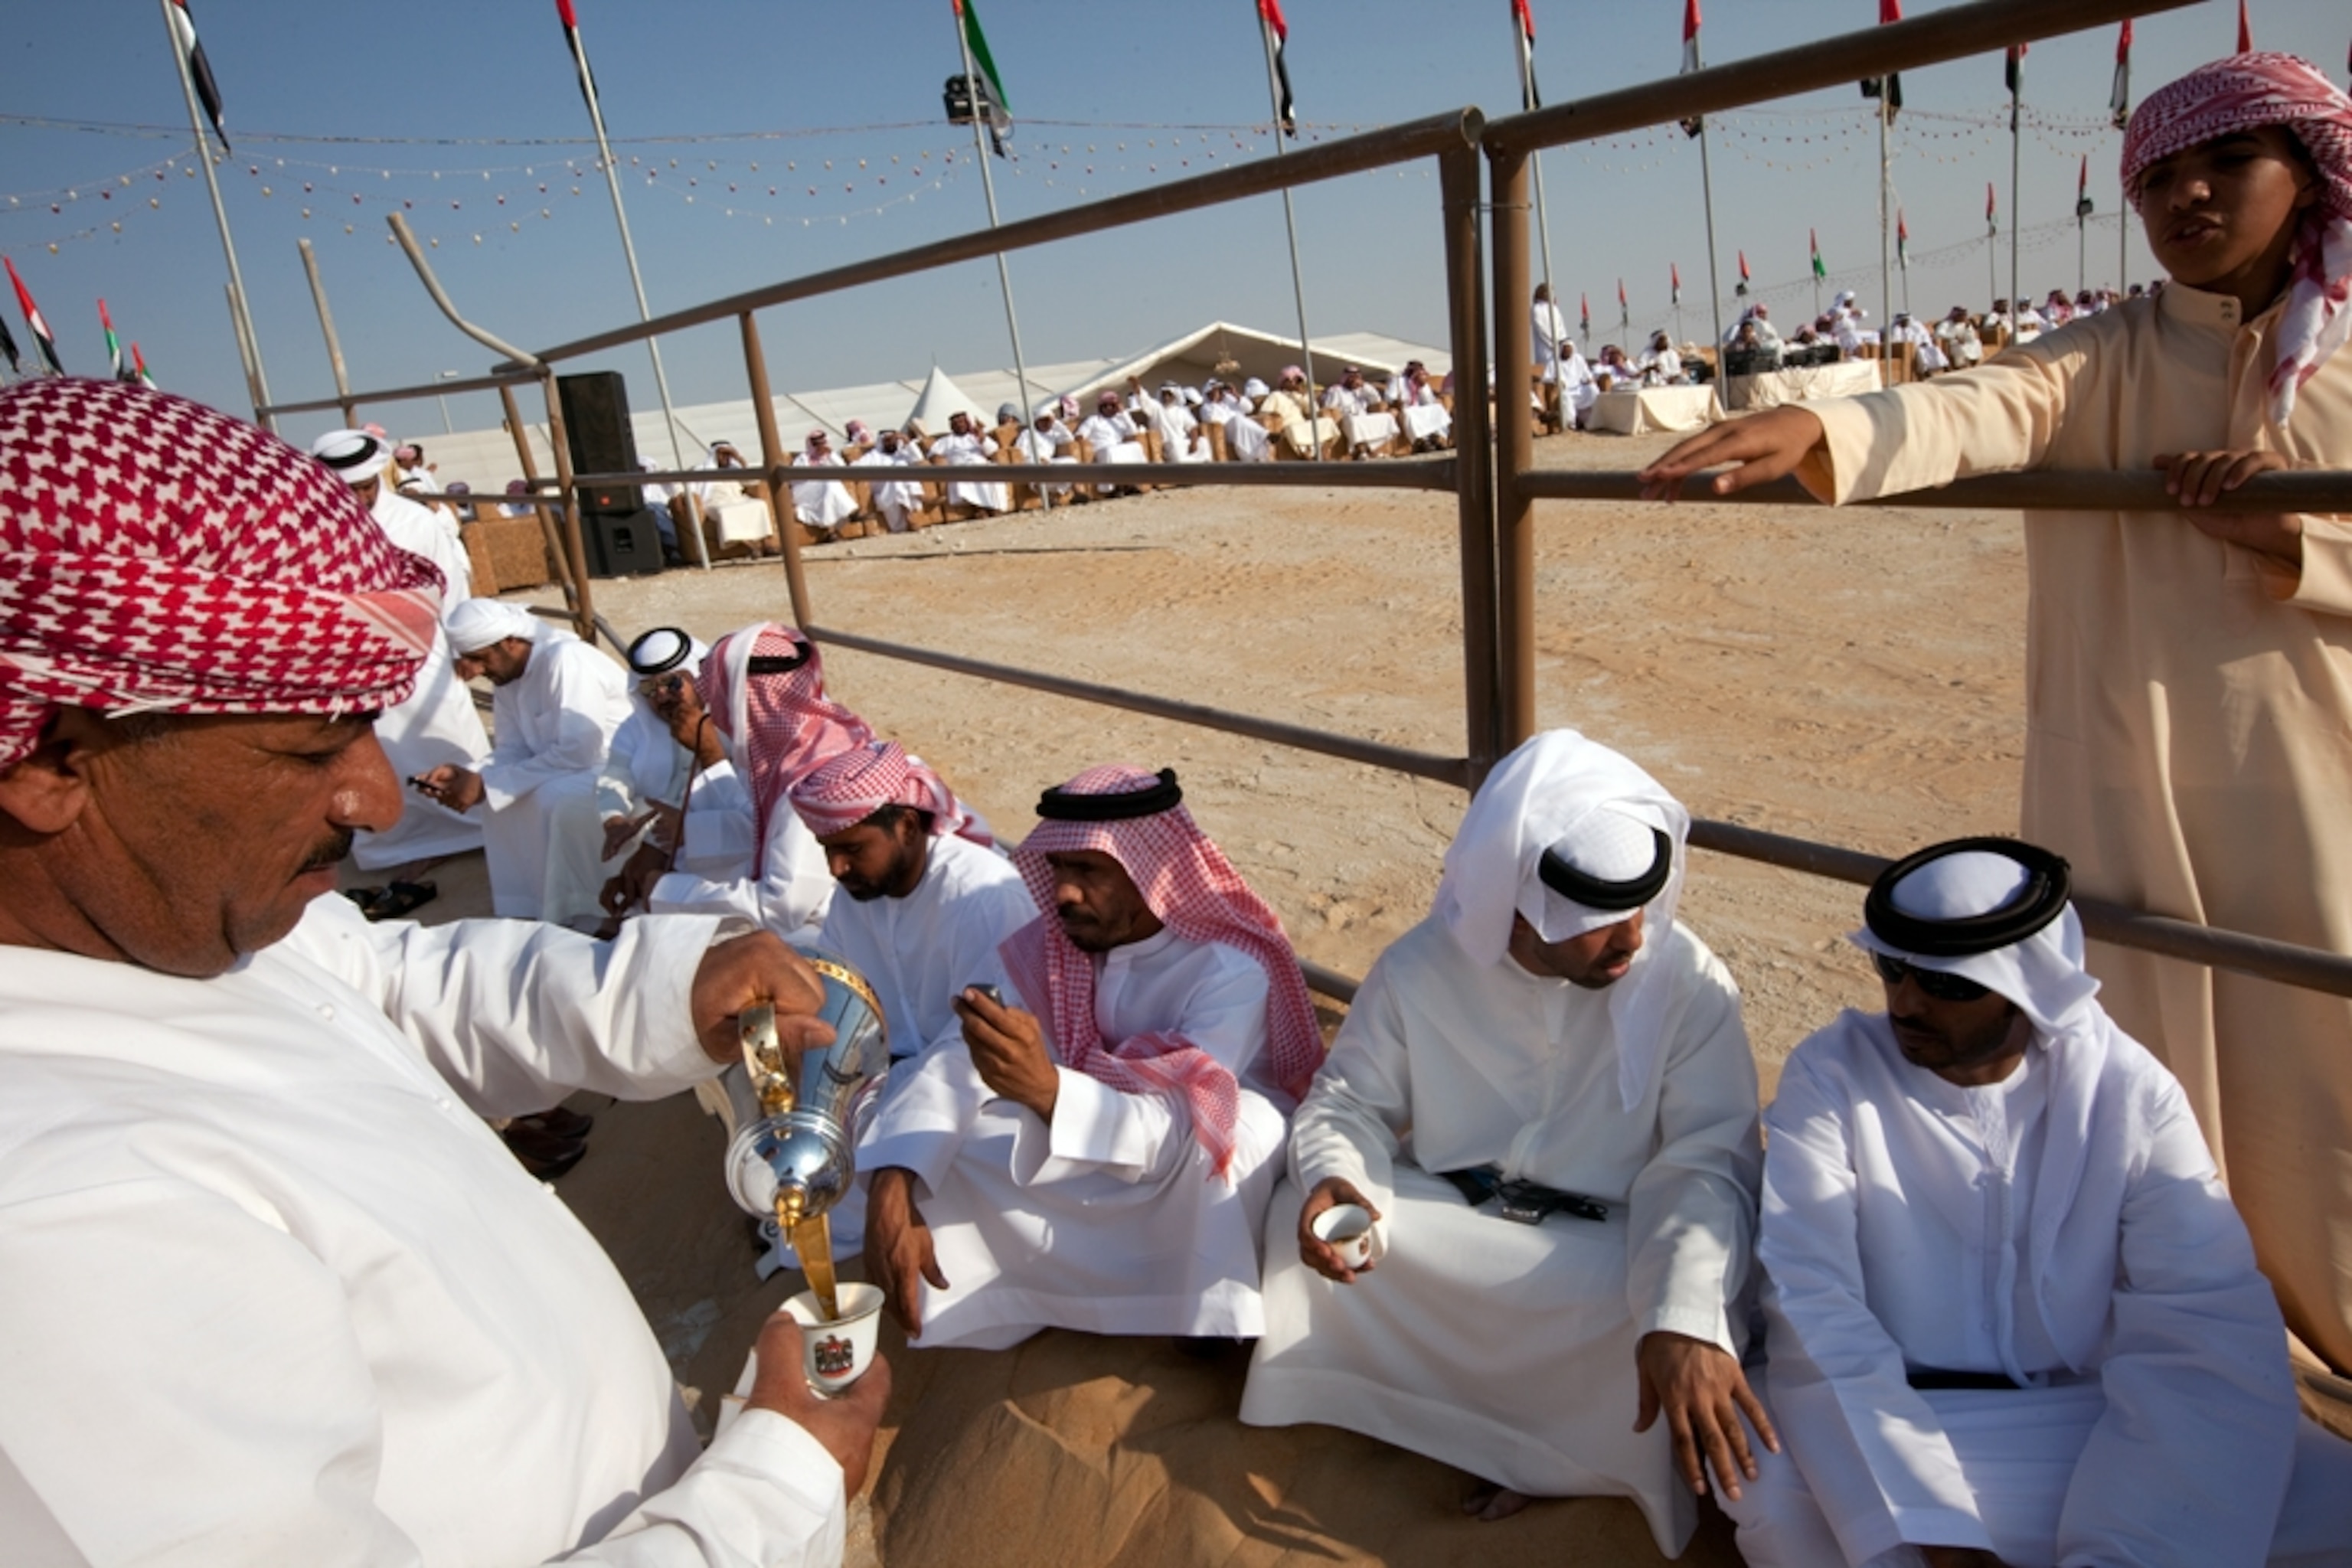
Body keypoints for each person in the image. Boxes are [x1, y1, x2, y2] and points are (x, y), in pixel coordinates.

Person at [0, 376, 886, 1564]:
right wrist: (779, 1481)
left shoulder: (164, 923)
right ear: (60, 759)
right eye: (314, 745)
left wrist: (660, 990)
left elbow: (387, 985)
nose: (372, 797)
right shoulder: (55, 1236)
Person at [1640, 52, 2352, 1407]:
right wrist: (1818, 424)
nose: (2181, 194)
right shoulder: (2118, 349)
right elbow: (1984, 402)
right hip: (2127, 781)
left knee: (2318, 1082)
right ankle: (2191, 1363)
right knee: (2141, 1082)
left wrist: (2299, 535)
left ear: (2308, 170)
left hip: (2312, 787)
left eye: (2221, 165)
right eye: (2152, 177)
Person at [1726, 837, 2352, 1566]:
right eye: (1890, 968)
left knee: (2330, 1498)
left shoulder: (2127, 1094)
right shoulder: (1833, 1076)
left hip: (2096, 1412)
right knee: (1774, 1496)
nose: (1906, 1001)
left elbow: (2203, 1320)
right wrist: (1943, 1534)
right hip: (1897, 1415)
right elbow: (1812, 1302)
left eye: (1947, 984)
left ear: (2031, 987)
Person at [1239, 730, 1767, 1553]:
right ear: (1519, 903)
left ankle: (1556, 1459)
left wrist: (1684, 1311)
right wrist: (1340, 1177)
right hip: (1458, 1214)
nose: (1631, 937)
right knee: (1289, 1219)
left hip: (1600, 1247)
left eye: (1639, 909)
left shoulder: (1689, 986)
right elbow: (1349, 1100)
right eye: (1597, 922)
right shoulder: (1423, 965)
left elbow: (1706, 1162)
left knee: (1659, 1307)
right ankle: (1418, 1419)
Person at [860, 764, 1321, 1351]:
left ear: (1151, 872)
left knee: (1243, 1129)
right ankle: (1026, 1295)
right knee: (943, 1142)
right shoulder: (1053, 944)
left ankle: (1203, 1313)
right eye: (1056, 868)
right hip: (1083, 1136)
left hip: (1186, 1164)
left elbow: (1178, 1122)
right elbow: (958, 1054)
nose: (1063, 894)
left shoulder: (1229, 967)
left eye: (1088, 872)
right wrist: (894, 1178)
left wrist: (1050, 1094)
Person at [771, 739, 1030, 1258]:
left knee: (978, 1154)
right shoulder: (856, 897)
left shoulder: (982, 896)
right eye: (828, 851)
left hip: (978, 1084)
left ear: (908, 827)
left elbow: (978, 1043)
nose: (836, 870)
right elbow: (843, 999)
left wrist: (898, 1104)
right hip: (889, 1076)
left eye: (852, 849)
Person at [306, 428, 488, 874]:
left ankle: (477, 829)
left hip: (423, 652)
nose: (362, 498)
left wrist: (465, 646)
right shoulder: (313, 528)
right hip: (356, 660)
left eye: (367, 487)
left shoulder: (415, 522)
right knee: (379, 752)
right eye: (350, 491)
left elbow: (452, 587)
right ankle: (403, 844)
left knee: (443, 736)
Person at [422, 598, 630, 928]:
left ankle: (586, 911)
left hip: (619, 766)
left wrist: (491, 784)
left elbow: (580, 750)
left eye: (479, 658)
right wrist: (473, 775)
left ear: (511, 642)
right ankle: (535, 906)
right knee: (500, 800)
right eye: (468, 660)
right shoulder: (507, 677)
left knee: (549, 797)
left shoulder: (566, 659)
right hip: (570, 766)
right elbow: (512, 749)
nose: (475, 671)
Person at [854, 425, 927, 533]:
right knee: (896, 478)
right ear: (882, 442)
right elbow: (854, 468)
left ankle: (910, 516)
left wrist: (908, 442)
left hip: (904, 489)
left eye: (894, 440)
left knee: (900, 474)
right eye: (888, 440)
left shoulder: (902, 453)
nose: (891, 443)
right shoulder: (874, 456)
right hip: (884, 492)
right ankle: (917, 506)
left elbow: (919, 459)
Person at [933, 410, 1007, 518]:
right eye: (957, 423)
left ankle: (994, 507)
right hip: (960, 468)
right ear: (952, 426)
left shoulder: (976, 436)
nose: (960, 425)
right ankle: (979, 509)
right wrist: (940, 460)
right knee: (966, 477)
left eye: (962, 422)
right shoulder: (946, 441)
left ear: (967, 423)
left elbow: (993, 450)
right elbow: (933, 455)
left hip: (981, 465)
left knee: (994, 472)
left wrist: (982, 438)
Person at [789, 427, 860, 537]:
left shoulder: (830, 456)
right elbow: (797, 478)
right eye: (816, 444)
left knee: (831, 485)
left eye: (822, 443)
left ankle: (831, 529)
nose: (819, 446)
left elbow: (842, 469)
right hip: (805, 489)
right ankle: (850, 512)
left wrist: (830, 455)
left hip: (825, 487)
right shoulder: (803, 458)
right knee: (829, 483)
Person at [1076, 390, 1148, 493]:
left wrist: (1124, 413)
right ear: (1101, 407)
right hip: (1102, 450)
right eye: (1105, 406)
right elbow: (1080, 435)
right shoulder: (1093, 420)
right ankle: (1116, 488)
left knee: (1136, 446)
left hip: (1118, 447)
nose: (1109, 408)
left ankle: (1132, 483)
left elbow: (1134, 431)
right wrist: (1083, 443)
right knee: (1111, 452)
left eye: (1112, 405)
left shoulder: (1120, 420)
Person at [1321, 365, 1398, 459]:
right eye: (1351, 377)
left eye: (1356, 377)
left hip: (1364, 416)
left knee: (1387, 417)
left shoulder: (1363, 390)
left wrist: (1364, 386)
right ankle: (1362, 451)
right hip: (1346, 418)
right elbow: (1329, 407)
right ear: (1345, 378)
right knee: (1354, 422)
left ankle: (1372, 450)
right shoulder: (1336, 390)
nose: (1354, 380)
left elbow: (1376, 400)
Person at [1260, 365, 1335, 459]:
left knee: (1328, 422)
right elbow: (1264, 413)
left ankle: (1321, 451)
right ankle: (1306, 455)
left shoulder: (1302, 396)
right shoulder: (1276, 395)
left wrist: (1304, 396)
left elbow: (1315, 412)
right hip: (1287, 427)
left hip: (1304, 426)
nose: (1295, 383)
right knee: (1293, 430)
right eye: (1292, 380)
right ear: (1284, 382)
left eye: (1298, 380)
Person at [1387, 360, 1453, 451]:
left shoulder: (1422, 383)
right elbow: (1389, 397)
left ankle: (1440, 438)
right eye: (1415, 370)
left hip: (1421, 409)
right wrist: (1397, 402)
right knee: (1408, 413)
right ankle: (1420, 442)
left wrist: (1422, 386)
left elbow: (1430, 401)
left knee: (1437, 408)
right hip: (1407, 408)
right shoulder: (1399, 380)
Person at [1532, 283, 1570, 381]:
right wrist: (1553, 344)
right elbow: (1541, 330)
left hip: (1558, 347)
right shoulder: (1536, 309)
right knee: (1546, 375)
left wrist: (1563, 343)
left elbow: (1562, 329)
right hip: (1544, 348)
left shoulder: (1555, 309)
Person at [1934, 303, 1984, 369]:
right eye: (1962, 315)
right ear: (1956, 316)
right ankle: (1960, 365)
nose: (1964, 317)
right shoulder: (1947, 324)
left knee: (1977, 342)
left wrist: (1968, 329)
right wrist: (1954, 337)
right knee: (1960, 349)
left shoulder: (1965, 324)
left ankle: (1973, 362)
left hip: (1965, 343)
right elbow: (1938, 333)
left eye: (1965, 315)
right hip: (1953, 344)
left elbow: (1971, 338)